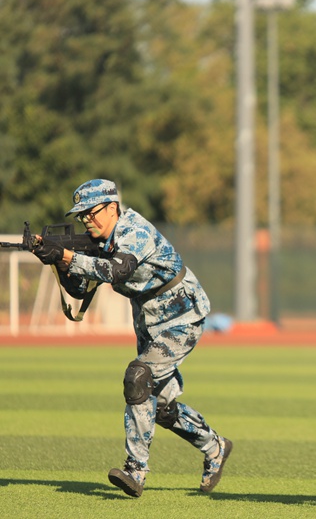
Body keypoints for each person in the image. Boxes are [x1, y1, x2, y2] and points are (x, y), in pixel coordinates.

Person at [31, 179, 232, 498]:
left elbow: (116, 271)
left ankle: (135, 470)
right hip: (149, 320)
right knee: (161, 405)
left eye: (91, 213)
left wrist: (67, 257)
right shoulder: (102, 237)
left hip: (182, 314)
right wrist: (57, 258)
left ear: (112, 207)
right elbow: (80, 288)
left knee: (138, 378)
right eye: (82, 217)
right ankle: (215, 446)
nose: (87, 221)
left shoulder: (134, 231)